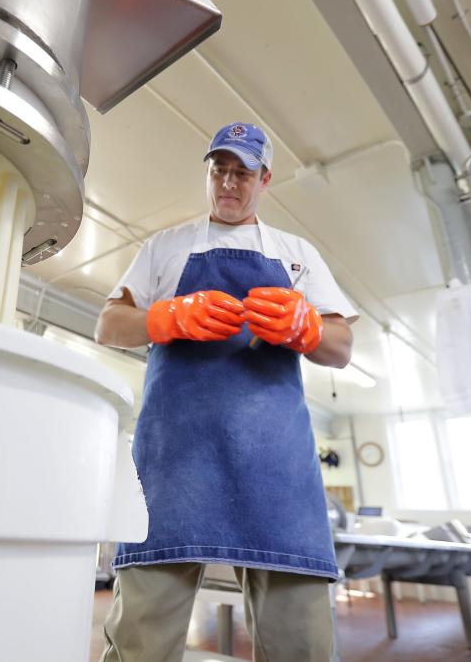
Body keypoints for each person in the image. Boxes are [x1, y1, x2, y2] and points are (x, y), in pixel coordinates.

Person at [95, 122, 357, 662]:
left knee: (300, 639)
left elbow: (341, 345)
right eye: (220, 170)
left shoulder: (294, 253)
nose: (229, 184)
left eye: (243, 173)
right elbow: (108, 326)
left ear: (265, 180)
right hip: (176, 460)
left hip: (274, 462)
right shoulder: (165, 248)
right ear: (208, 174)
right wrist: (165, 317)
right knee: (142, 636)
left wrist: (307, 327)